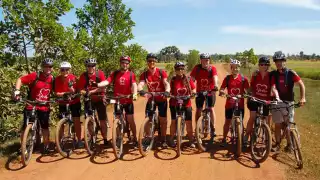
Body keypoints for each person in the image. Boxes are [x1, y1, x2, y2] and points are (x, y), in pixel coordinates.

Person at [13, 58, 55, 153]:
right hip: (31, 104)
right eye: (46, 66)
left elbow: (56, 91)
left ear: (52, 68)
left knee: (44, 127)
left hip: (44, 105)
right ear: (42, 67)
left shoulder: (52, 79)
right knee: (25, 126)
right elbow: (20, 79)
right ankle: (23, 147)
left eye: (50, 66)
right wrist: (17, 91)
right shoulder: (35, 76)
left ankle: (46, 145)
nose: (48, 68)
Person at [97, 56, 139, 146]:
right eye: (123, 62)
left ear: (129, 64)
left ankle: (135, 137)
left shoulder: (131, 74)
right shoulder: (115, 74)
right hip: (118, 101)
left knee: (130, 119)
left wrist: (134, 94)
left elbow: (134, 84)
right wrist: (98, 84)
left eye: (127, 63)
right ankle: (119, 137)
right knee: (117, 119)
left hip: (128, 101)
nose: (125, 64)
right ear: (120, 63)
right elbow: (107, 82)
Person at [270, 51, 306, 152]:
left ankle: (290, 145)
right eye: (277, 61)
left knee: (288, 125)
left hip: (289, 102)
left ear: (284, 61)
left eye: (281, 61)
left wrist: (303, 98)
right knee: (278, 124)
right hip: (277, 102)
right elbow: (273, 87)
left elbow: (301, 84)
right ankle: (277, 144)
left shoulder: (291, 73)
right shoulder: (274, 74)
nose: (279, 63)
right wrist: (276, 96)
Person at [137, 53, 171, 148]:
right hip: (151, 98)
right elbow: (140, 84)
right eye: (149, 61)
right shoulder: (144, 74)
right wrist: (141, 90)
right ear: (147, 62)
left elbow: (166, 83)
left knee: (163, 120)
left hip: (161, 98)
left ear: (155, 62)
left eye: (153, 61)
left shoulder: (161, 72)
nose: (151, 62)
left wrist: (167, 91)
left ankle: (163, 138)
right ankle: (148, 137)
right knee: (148, 119)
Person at [77, 58, 109, 146]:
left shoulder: (100, 74)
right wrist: (85, 93)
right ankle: (92, 137)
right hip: (89, 99)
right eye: (89, 66)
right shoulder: (83, 76)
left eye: (92, 65)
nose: (91, 67)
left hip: (100, 98)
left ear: (95, 66)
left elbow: (103, 87)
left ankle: (105, 138)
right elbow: (80, 89)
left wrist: (92, 92)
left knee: (102, 120)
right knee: (89, 119)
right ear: (86, 67)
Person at [219, 59, 250, 147]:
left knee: (241, 121)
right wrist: (222, 92)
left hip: (240, 105)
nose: (235, 69)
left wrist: (248, 94)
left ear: (239, 68)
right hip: (229, 104)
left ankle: (240, 138)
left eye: (237, 68)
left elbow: (248, 91)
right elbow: (222, 88)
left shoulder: (243, 79)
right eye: (233, 67)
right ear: (231, 68)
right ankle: (224, 139)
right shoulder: (227, 78)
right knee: (227, 122)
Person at [244, 56, 273, 145]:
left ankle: (267, 138)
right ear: (259, 65)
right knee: (252, 117)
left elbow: (273, 87)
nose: (264, 66)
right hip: (255, 99)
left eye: (266, 64)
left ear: (268, 65)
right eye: (262, 64)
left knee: (267, 119)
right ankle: (246, 136)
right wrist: (248, 94)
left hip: (266, 100)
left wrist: (274, 94)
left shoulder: (271, 75)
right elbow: (251, 86)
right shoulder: (255, 74)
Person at [190, 53, 218, 142]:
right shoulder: (197, 68)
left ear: (209, 60)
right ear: (201, 60)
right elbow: (192, 79)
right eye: (204, 60)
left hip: (210, 91)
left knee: (211, 108)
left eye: (207, 60)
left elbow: (215, 77)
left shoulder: (212, 69)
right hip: (199, 92)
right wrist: (191, 87)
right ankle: (197, 127)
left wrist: (216, 86)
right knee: (199, 109)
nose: (206, 61)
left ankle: (213, 129)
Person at [168, 61, 196, 148]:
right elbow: (169, 89)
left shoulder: (188, 78)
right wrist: (168, 93)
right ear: (175, 70)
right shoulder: (173, 79)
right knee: (173, 121)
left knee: (188, 122)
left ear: (184, 69)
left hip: (186, 102)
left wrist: (193, 94)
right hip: (174, 102)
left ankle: (191, 140)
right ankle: (172, 139)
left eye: (182, 69)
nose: (180, 70)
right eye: (178, 69)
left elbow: (194, 89)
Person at [55, 61, 83, 148]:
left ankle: (79, 140)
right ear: (60, 70)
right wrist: (65, 93)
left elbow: (79, 90)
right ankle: (60, 140)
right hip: (63, 102)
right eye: (63, 70)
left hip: (74, 102)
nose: (65, 71)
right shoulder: (57, 79)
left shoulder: (74, 78)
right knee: (61, 122)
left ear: (69, 70)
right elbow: (56, 93)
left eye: (67, 70)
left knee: (76, 121)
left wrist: (74, 92)